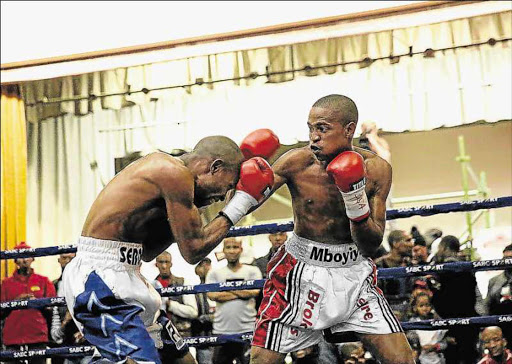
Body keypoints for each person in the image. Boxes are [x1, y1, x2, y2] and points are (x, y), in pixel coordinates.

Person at [61, 134, 276, 364]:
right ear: (215, 167)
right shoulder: (173, 172)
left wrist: (190, 213)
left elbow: (148, 251)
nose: (224, 196)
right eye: (229, 186)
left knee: (184, 361)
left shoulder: (172, 183)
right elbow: (193, 251)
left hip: (129, 272)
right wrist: (240, 204)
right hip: (99, 278)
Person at [248, 95, 414, 363]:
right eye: (310, 128)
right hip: (299, 274)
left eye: (322, 129)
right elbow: (249, 199)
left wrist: (354, 198)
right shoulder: (296, 162)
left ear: (349, 129)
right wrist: (244, 168)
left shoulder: (377, 169)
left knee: (403, 360)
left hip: (353, 273)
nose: (314, 137)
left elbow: (371, 245)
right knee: (261, 360)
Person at [206, 238, 262, 364]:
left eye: (235, 247)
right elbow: (212, 295)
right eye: (228, 247)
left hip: (247, 329)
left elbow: (254, 292)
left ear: (241, 250)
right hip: (222, 330)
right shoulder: (214, 273)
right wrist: (242, 292)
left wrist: (226, 292)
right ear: (223, 251)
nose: (232, 251)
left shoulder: (252, 271)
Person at [0, 242, 57, 364]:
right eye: (20, 256)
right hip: (12, 337)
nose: (24, 260)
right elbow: (1, 311)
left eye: (27, 256)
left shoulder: (44, 281)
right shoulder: (6, 283)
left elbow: (52, 308)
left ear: (33, 258)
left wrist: (37, 303)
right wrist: (16, 302)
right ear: (15, 260)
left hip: (37, 336)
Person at [430, 235, 482, 364]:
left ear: (444, 247)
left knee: (453, 356)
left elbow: (440, 296)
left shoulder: (441, 268)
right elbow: (475, 294)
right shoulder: (466, 266)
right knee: (469, 355)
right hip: (468, 320)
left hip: (449, 320)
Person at [154, 251, 198, 338]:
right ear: (156, 264)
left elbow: (193, 312)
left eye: (166, 262)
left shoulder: (182, 282)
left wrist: (170, 305)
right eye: (161, 262)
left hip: (181, 334)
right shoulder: (152, 286)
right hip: (159, 335)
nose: (164, 266)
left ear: (171, 264)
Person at [374, 230, 415, 314]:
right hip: (385, 313)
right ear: (395, 243)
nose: (412, 244)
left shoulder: (411, 265)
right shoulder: (378, 266)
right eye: (408, 240)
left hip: (409, 314)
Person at [407, 291, 453, 364]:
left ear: (431, 306)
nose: (425, 308)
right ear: (415, 307)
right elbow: (411, 341)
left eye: (427, 305)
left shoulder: (437, 321)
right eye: (421, 306)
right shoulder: (413, 322)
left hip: (438, 360)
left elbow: (445, 342)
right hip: (421, 359)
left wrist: (436, 346)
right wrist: (417, 348)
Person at [485, 244, 512, 345]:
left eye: (510, 259)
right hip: (501, 328)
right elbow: (488, 306)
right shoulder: (494, 281)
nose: (508, 262)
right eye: (505, 258)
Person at [191, 258, 215, 364]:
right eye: (201, 265)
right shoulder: (196, 290)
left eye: (207, 265)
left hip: (218, 334)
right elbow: (193, 312)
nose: (205, 268)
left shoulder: (218, 286)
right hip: (202, 336)